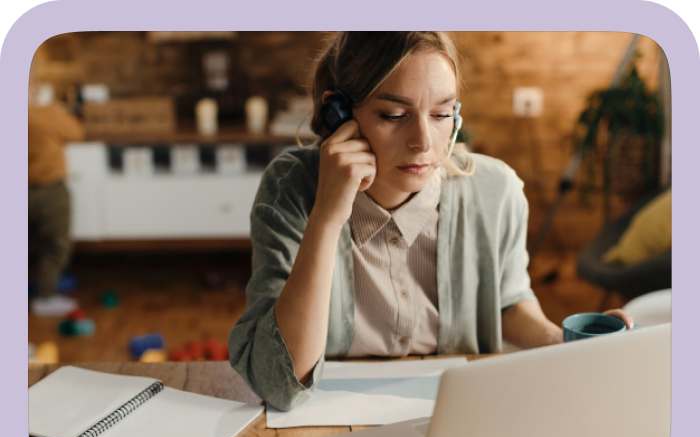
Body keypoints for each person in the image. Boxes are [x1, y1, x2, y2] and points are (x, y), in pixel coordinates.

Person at [229, 32, 633, 411]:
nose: (423, 141)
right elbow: (277, 383)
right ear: (339, 116)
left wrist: (564, 343)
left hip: (456, 419)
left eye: (441, 113)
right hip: (326, 418)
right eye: (392, 114)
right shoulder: (290, 187)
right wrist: (327, 218)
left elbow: (507, 301)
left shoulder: (497, 191)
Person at [28, 64, 85, 316]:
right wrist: (56, 108)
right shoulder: (46, 113)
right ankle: (45, 297)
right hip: (49, 189)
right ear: (34, 84)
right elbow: (77, 132)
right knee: (55, 246)